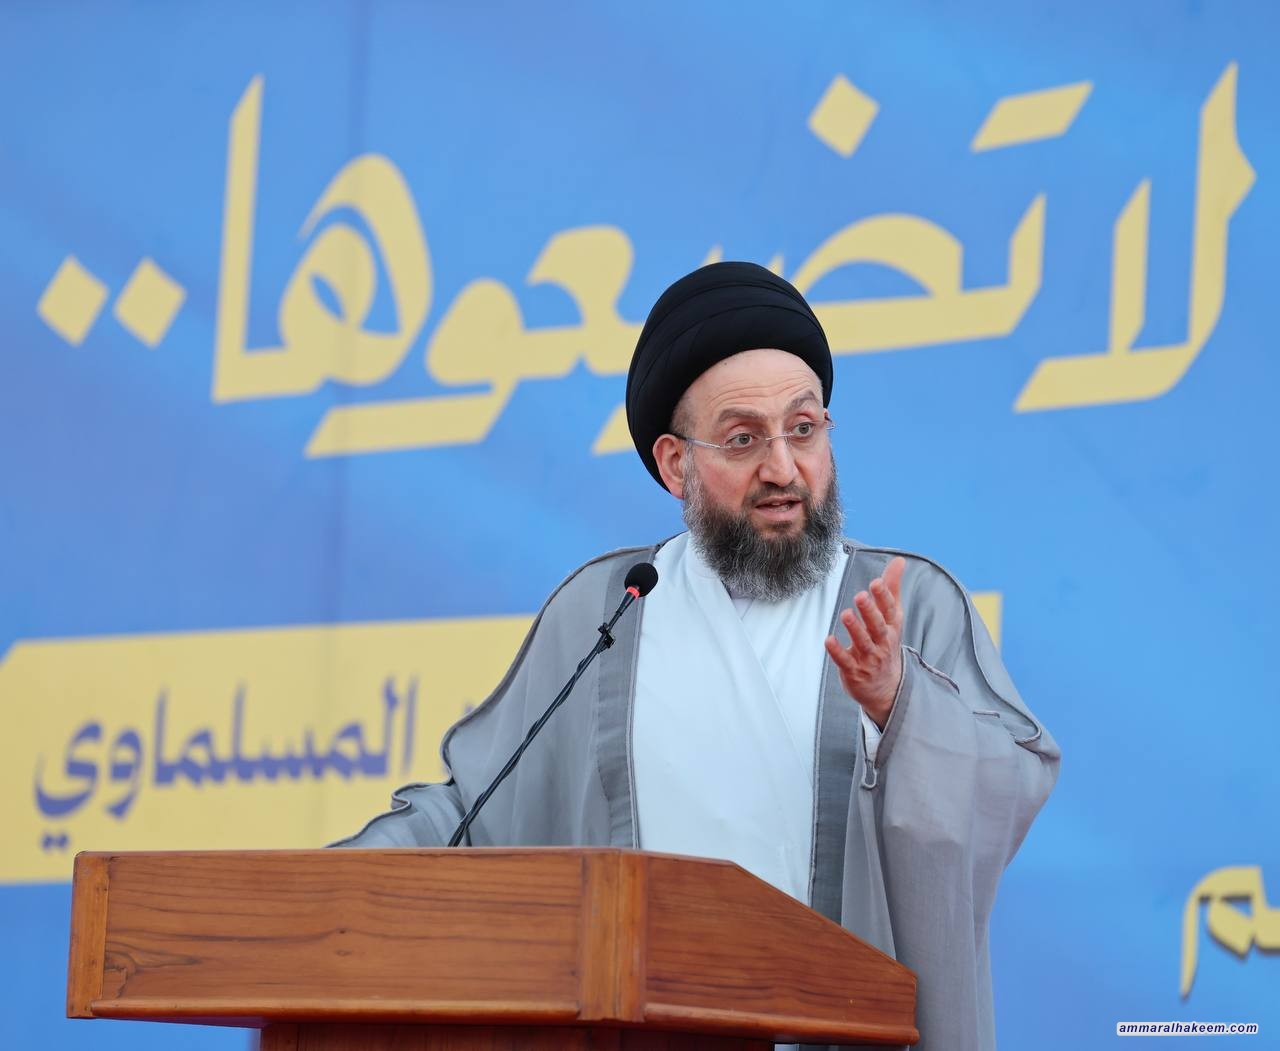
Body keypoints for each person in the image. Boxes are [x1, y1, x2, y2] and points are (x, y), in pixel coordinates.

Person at [335, 262, 1060, 1051]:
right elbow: (474, 814)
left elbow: (1009, 787)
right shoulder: (611, 608)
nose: (783, 467)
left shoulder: (908, 604)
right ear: (675, 463)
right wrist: (336, 886)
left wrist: (900, 704)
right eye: (744, 438)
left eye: (804, 428)